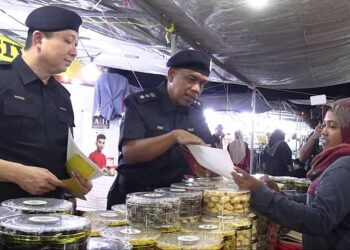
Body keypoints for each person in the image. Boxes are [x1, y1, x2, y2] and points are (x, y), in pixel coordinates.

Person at [0, 6, 92, 202]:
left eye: (76, 43)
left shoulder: (62, 97)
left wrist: (75, 183)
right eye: (68, 41)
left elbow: (63, 156)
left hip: (52, 217)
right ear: (39, 39)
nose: (75, 51)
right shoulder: (2, 82)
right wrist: (16, 173)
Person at [232, 98, 350, 249]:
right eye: (324, 125)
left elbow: (320, 220)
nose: (324, 132)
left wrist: (262, 194)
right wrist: (280, 195)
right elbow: (318, 200)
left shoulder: (344, 165)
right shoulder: (337, 162)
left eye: (332, 126)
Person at [107, 49, 214, 208]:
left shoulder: (197, 112)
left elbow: (209, 153)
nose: (197, 89)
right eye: (191, 79)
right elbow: (130, 153)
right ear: (171, 75)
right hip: (133, 199)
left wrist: (208, 168)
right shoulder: (140, 104)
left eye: (202, 84)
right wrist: (173, 137)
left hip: (175, 202)